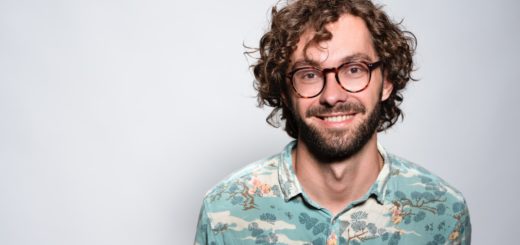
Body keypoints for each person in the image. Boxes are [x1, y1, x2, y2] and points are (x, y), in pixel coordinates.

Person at [194, 0, 471, 244]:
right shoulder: (224, 210)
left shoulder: (443, 212)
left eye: (354, 69)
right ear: (285, 92)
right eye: (309, 74)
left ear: (386, 81)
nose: (332, 96)